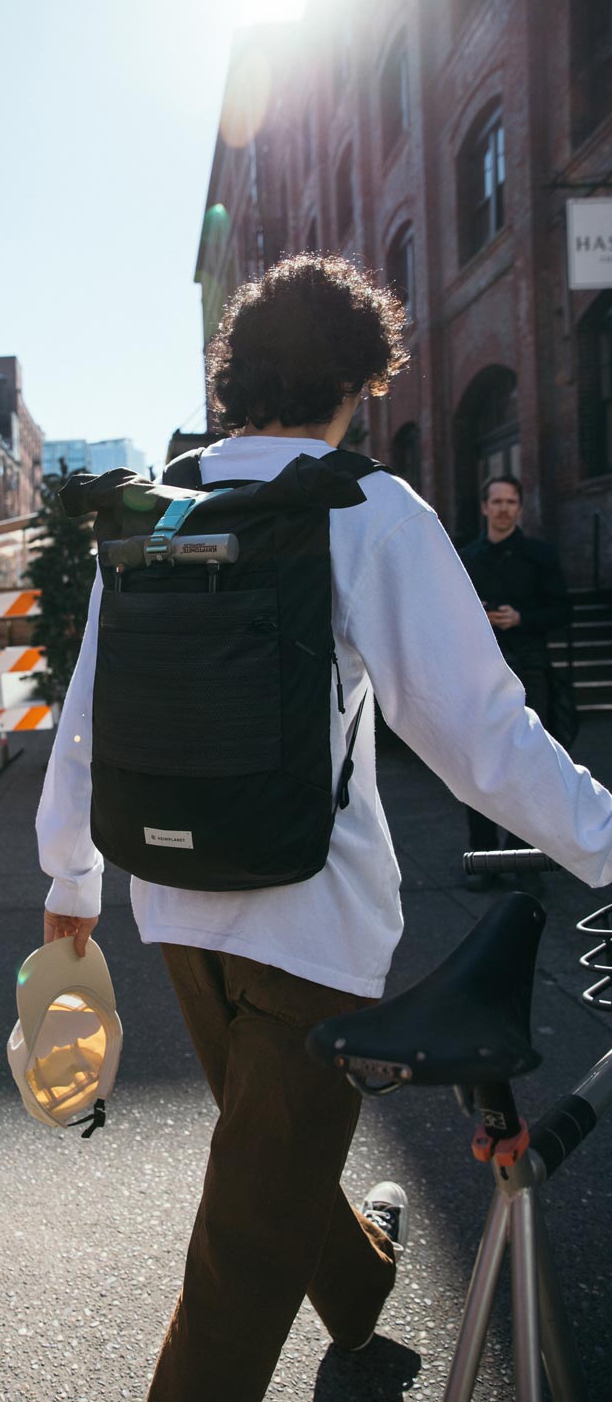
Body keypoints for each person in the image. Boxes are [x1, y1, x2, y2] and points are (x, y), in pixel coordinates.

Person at [35, 255, 612, 1402]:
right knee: (245, 1241)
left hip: (174, 908)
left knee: (267, 1164)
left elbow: (87, 709)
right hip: (313, 923)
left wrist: (70, 878)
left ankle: (355, 1288)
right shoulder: (364, 507)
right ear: (362, 380)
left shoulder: (160, 505)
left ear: (234, 374)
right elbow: (482, 736)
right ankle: (327, 1291)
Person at [459, 475, 573, 886]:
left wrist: (521, 617)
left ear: (519, 507)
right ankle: (484, 860)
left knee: (528, 769)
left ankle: (524, 864)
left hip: (531, 671)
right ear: (485, 507)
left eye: (511, 502)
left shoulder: (540, 556)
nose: (505, 508)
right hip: (482, 673)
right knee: (479, 769)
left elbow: (562, 611)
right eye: (497, 501)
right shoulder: (466, 558)